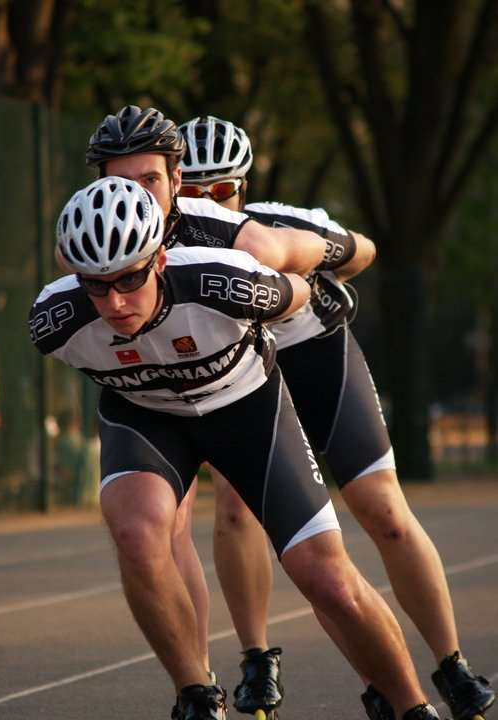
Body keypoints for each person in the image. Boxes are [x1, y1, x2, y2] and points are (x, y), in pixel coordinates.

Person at [33, 175, 442, 720]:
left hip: (246, 408)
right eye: (96, 285)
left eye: (129, 279)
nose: (114, 302)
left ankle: (411, 706)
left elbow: (293, 289)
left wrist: (312, 285)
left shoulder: (224, 283)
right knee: (134, 527)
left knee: (327, 579)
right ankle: (197, 695)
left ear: (157, 260)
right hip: (147, 416)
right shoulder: (54, 323)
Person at [176, 115, 496, 720]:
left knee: (384, 510)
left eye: (221, 191)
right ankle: (257, 657)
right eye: (192, 191)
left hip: (314, 353)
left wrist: (333, 262)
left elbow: (365, 250)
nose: (206, 203)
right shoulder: (160, 253)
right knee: (238, 507)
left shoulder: (275, 223)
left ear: (243, 189)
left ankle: (451, 663)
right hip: (243, 372)